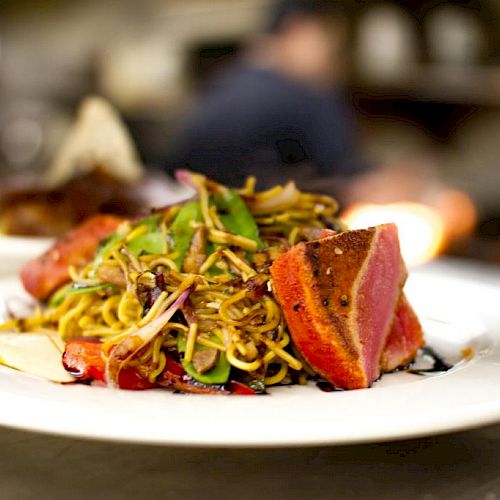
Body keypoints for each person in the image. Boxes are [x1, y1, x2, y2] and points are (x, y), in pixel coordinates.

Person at [165, 0, 366, 191]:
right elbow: (352, 179)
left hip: (200, 214)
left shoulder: (227, 81)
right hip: (273, 217)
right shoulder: (304, 94)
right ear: (299, 30)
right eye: (329, 41)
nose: (331, 54)